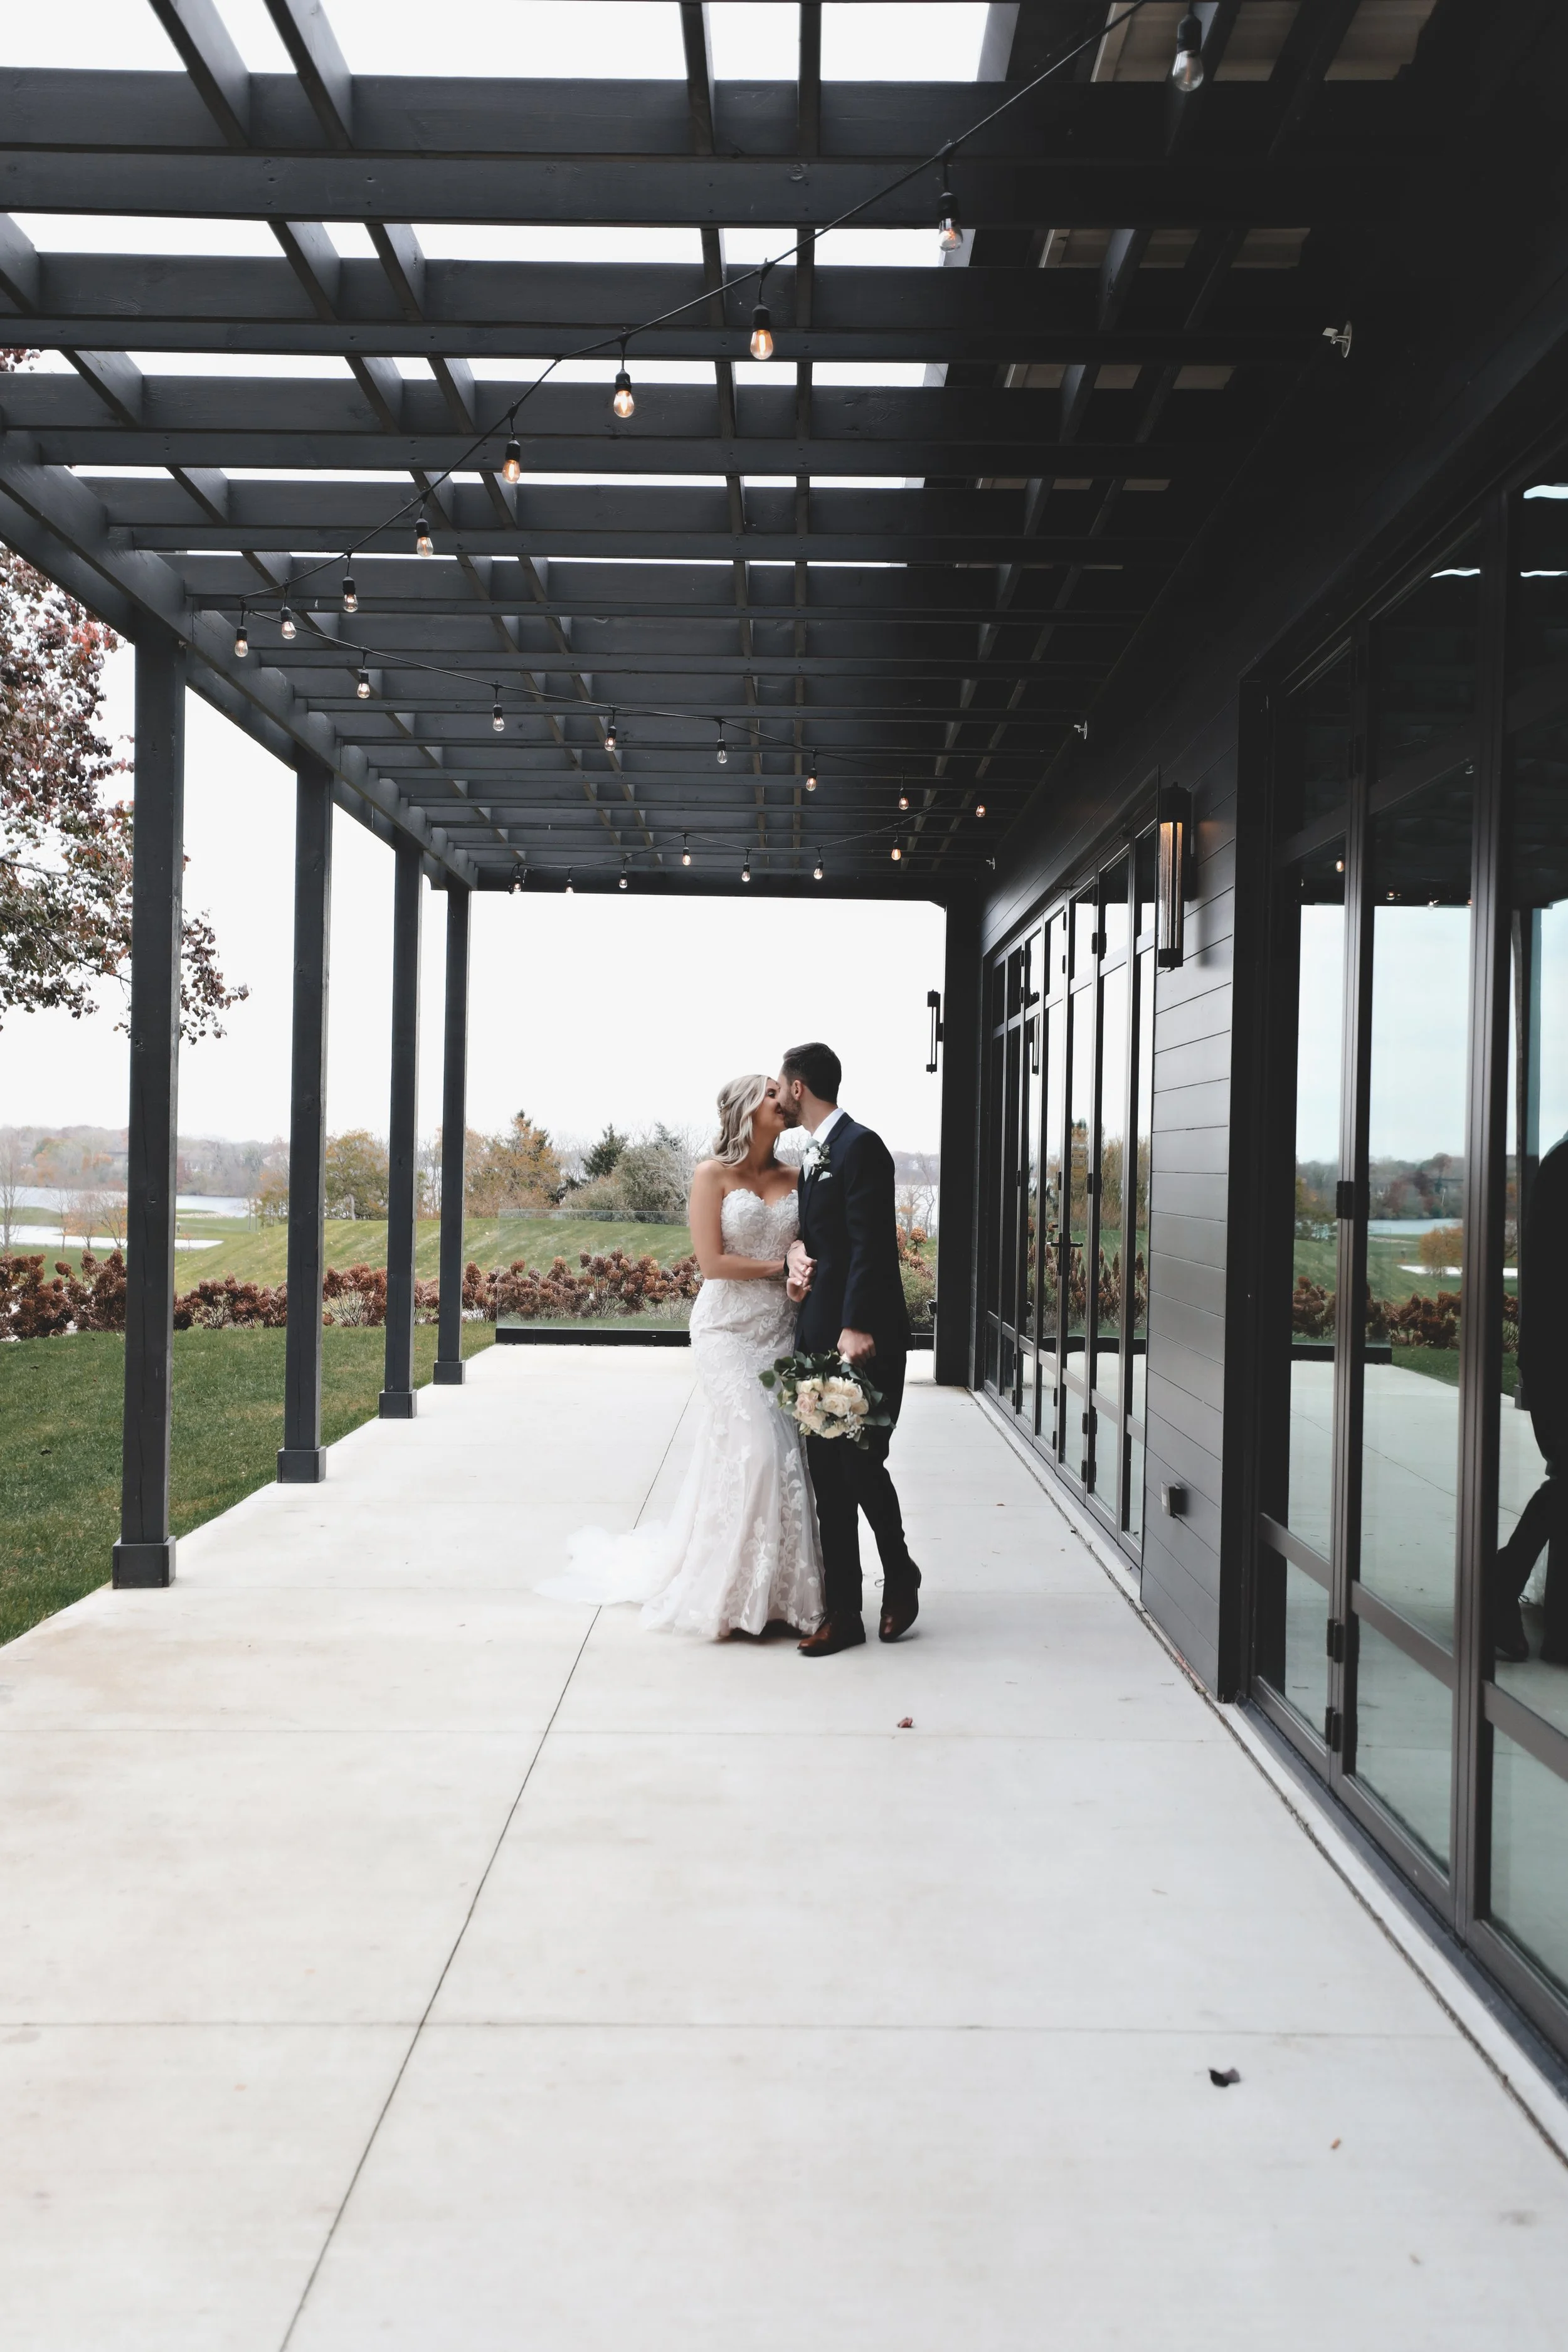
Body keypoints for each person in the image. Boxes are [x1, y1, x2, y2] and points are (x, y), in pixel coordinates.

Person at [538, 1074, 824, 1640]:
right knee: (759, 1451)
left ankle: (779, 1596)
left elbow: (811, 1241)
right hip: (725, 1332)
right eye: (771, 1093)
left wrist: (798, 1252)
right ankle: (725, 1592)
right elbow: (712, 1264)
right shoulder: (711, 1175)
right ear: (746, 1109)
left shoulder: (799, 1176)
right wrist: (779, 1267)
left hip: (779, 1331)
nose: (783, 1099)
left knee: (783, 1456)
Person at [779, 1040, 922, 1656]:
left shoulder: (860, 1146)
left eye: (779, 1084)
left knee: (858, 1464)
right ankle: (844, 1613)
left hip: (859, 1339)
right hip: (815, 1336)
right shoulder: (813, 1155)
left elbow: (871, 1245)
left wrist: (857, 1323)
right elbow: (821, 1238)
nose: (777, 1095)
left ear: (799, 1087)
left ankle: (901, 1575)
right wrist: (793, 1255)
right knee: (826, 1476)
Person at [1494, 1132, 1568, 1666]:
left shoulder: (1560, 1160)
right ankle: (1500, 1582)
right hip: (1558, 1360)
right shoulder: (1565, 1164)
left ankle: (1503, 1583)